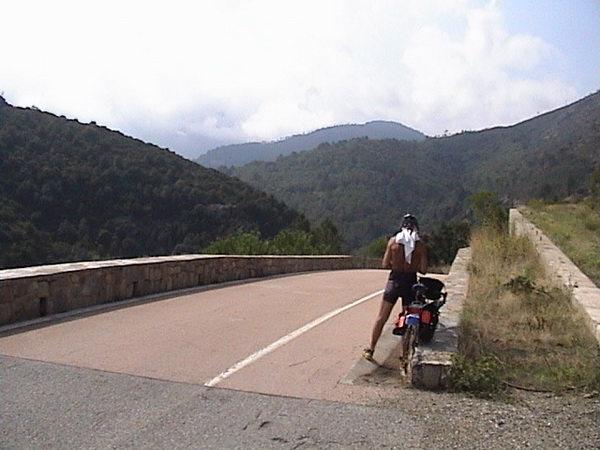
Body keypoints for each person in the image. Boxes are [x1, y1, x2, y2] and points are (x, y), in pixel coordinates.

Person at [363, 214, 428, 360]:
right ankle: (404, 355)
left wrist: (397, 263)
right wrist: (414, 264)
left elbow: (385, 264)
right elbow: (423, 270)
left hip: (394, 281)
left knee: (381, 317)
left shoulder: (393, 242)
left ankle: (371, 349)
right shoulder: (421, 246)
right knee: (407, 319)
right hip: (410, 283)